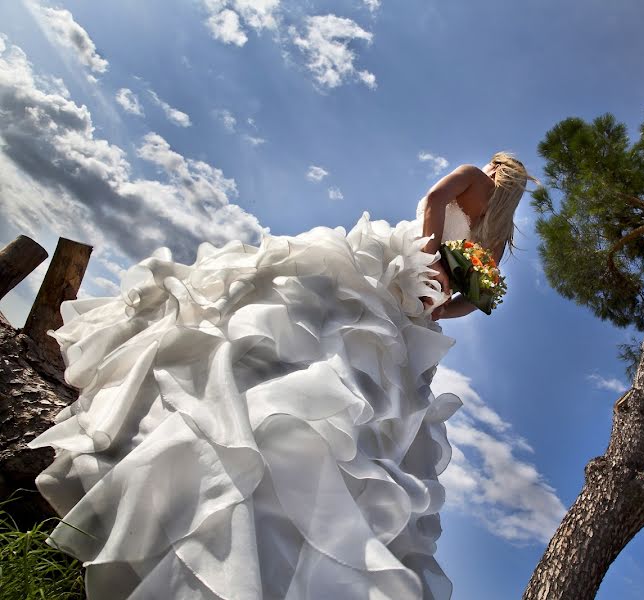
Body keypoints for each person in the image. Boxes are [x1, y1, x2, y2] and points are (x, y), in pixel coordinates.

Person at [29, 152, 534, 599]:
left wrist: (424, 264)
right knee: (366, 382)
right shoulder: (493, 237)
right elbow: (481, 299)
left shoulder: (474, 178)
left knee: (312, 328)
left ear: (497, 171)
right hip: (411, 297)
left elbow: (432, 198)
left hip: (403, 269)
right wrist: (437, 308)